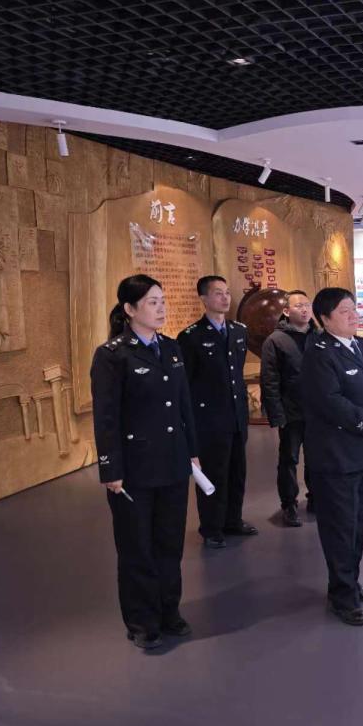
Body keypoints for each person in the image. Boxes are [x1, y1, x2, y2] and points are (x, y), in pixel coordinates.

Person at [91, 274, 200, 651]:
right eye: (153, 302)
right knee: (137, 547)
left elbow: (183, 404)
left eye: (162, 301)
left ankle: (169, 611)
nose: (161, 308)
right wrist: (111, 469)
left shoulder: (171, 348)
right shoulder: (112, 355)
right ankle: (141, 620)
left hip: (172, 462)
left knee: (169, 543)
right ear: (129, 309)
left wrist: (192, 450)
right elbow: (106, 418)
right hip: (134, 469)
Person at [299, 287, 363, 626]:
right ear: (325, 319)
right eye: (344, 311)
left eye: (354, 308)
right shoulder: (318, 353)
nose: (354, 315)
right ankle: (342, 596)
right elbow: (331, 402)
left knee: (358, 522)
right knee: (339, 526)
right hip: (336, 456)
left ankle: (349, 581)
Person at [177, 276, 257, 549]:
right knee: (214, 473)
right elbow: (186, 383)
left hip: (236, 416)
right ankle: (211, 528)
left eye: (227, 293)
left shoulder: (238, 331)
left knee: (237, 472)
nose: (225, 298)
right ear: (204, 299)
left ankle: (233, 520)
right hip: (209, 419)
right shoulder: (191, 337)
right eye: (218, 293)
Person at [260, 289, 316, 527]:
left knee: (316, 458)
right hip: (290, 412)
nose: (304, 310)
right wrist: (276, 414)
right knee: (289, 460)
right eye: (298, 306)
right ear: (286, 311)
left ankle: (315, 498)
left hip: (316, 412)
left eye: (307, 305)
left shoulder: (318, 336)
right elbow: (269, 380)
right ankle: (289, 505)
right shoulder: (275, 340)